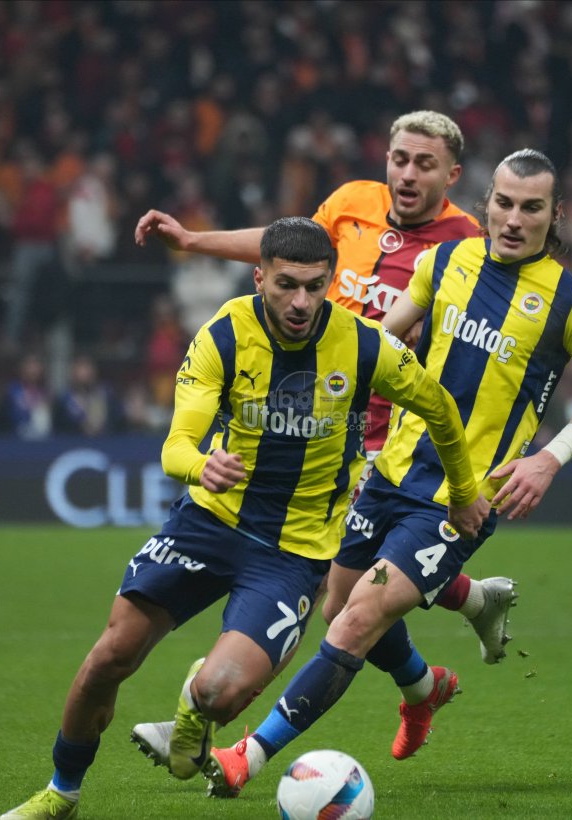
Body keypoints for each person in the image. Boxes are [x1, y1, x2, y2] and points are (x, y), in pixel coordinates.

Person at [0, 216, 487, 820]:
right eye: (286, 285)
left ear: (330, 282)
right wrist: (200, 465)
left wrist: (463, 491)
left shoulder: (365, 345)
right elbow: (176, 446)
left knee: (219, 695)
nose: (301, 301)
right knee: (110, 657)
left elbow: (439, 407)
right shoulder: (224, 335)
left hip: (292, 553)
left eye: (315, 286)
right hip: (208, 523)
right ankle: (61, 793)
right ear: (259, 278)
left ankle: (195, 707)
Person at [202, 149, 572, 798]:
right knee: (337, 603)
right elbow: (379, 343)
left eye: (531, 207)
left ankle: (248, 756)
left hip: (461, 497)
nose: (514, 219)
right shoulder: (444, 263)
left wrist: (549, 458)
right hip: (390, 469)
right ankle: (425, 688)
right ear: (487, 204)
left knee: (355, 620)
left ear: (554, 214)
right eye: (505, 203)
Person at [134, 110, 517, 669]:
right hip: (313, 414)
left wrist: (434, 333)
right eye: (400, 159)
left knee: (333, 588)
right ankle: (461, 621)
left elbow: (480, 338)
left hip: (385, 430)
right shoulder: (351, 201)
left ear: (452, 175)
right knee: (342, 585)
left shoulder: (467, 243)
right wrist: (193, 240)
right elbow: (284, 250)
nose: (408, 174)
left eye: (424, 164)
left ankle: (235, 682)